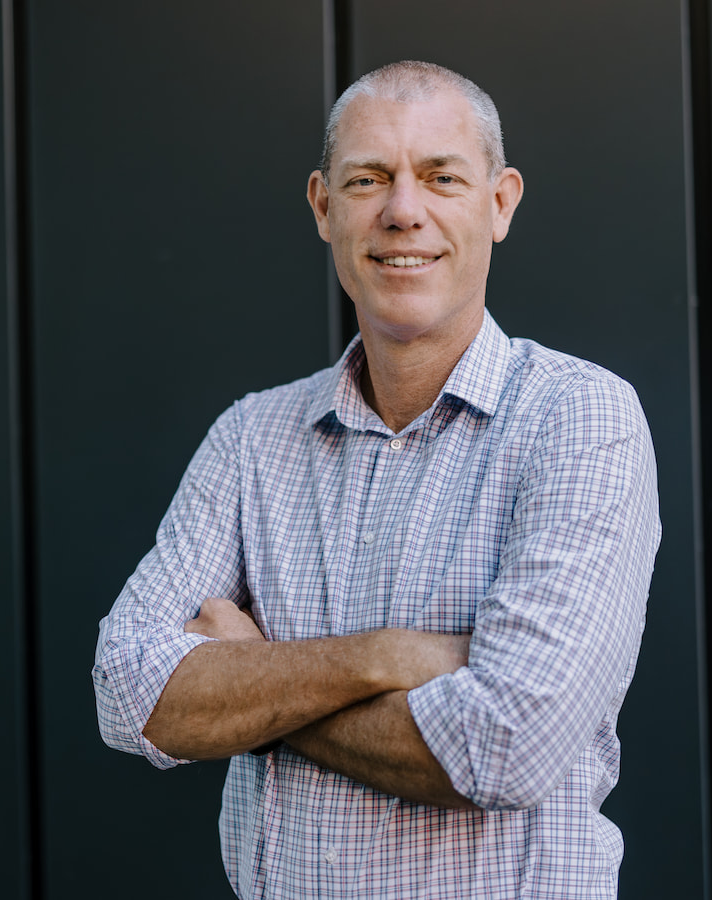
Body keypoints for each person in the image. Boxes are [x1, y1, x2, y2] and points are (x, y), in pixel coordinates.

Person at [93, 60, 661, 899]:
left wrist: (257, 682)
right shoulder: (253, 437)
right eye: (369, 179)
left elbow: (509, 744)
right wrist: (385, 659)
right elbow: (128, 692)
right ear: (324, 207)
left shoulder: (580, 420)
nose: (403, 211)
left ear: (499, 203)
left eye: (441, 177)